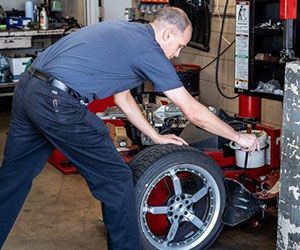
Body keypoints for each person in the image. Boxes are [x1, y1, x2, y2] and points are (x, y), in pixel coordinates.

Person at [0, 7, 258, 250]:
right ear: (167, 34)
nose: (177, 53)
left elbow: (121, 97)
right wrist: (237, 137)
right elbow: (191, 111)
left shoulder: (128, 33)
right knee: (117, 181)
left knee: (14, 178)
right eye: (179, 45)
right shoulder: (149, 50)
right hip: (58, 102)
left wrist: (154, 135)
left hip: (29, 89)